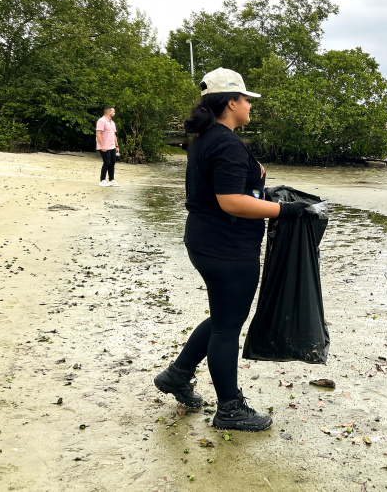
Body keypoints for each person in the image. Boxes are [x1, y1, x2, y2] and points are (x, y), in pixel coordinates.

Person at [153, 67, 309, 432]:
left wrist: (266, 193)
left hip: (207, 241)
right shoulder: (225, 142)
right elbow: (230, 202)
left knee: (224, 318)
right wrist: (286, 210)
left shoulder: (207, 139)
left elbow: (228, 191)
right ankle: (230, 409)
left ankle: (177, 375)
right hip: (227, 247)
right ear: (231, 102)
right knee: (227, 327)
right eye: (246, 100)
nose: (250, 106)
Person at [95, 107, 119, 187]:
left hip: (112, 146)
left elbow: (114, 134)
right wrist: (102, 145)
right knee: (106, 162)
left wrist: (117, 145)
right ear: (109, 112)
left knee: (112, 163)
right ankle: (102, 180)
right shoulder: (102, 121)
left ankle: (111, 180)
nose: (114, 113)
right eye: (113, 112)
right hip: (104, 146)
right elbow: (98, 133)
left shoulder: (112, 122)